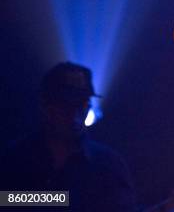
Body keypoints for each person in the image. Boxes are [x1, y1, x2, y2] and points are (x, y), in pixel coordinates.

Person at [0, 62, 135, 212]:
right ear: (46, 106)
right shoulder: (14, 159)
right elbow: (5, 199)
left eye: (82, 104)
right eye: (66, 104)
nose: (75, 114)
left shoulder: (109, 166)